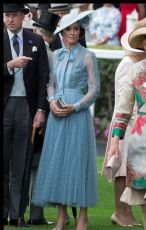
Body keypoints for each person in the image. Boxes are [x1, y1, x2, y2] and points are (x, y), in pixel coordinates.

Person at [32, 10, 100, 230]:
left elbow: (95, 89)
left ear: (80, 31)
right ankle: (61, 217)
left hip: (77, 113)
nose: (73, 32)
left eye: (76, 28)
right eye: (69, 28)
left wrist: (77, 106)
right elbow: (50, 82)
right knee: (58, 162)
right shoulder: (57, 55)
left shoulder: (88, 56)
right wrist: (51, 100)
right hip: (57, 114)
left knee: (78, 161)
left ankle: (83, 217)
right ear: (62, 32)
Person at [3, 3, 49, 227]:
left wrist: (40, 110)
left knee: (22, 162)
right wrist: (9, 65)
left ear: (23, 16)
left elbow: (43, 78)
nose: (10, 19)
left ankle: (16, 214)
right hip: (5, 107)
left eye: (14, 15)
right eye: (7, 15)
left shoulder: (36, 40)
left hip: (27, 108)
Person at [102, 18, 146, 227]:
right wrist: (115, 142)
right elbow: (122, 107)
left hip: (137, 128)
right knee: (137, 185)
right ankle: (123, 213)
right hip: (137, 130)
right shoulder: (133, 68)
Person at [25, 11, 60, 226]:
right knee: (35, 165)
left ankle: (22, 211)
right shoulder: (50, 54)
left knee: (27, 164)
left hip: (32, 112)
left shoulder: (32, 49)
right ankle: (35, 214)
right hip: (40, 114)